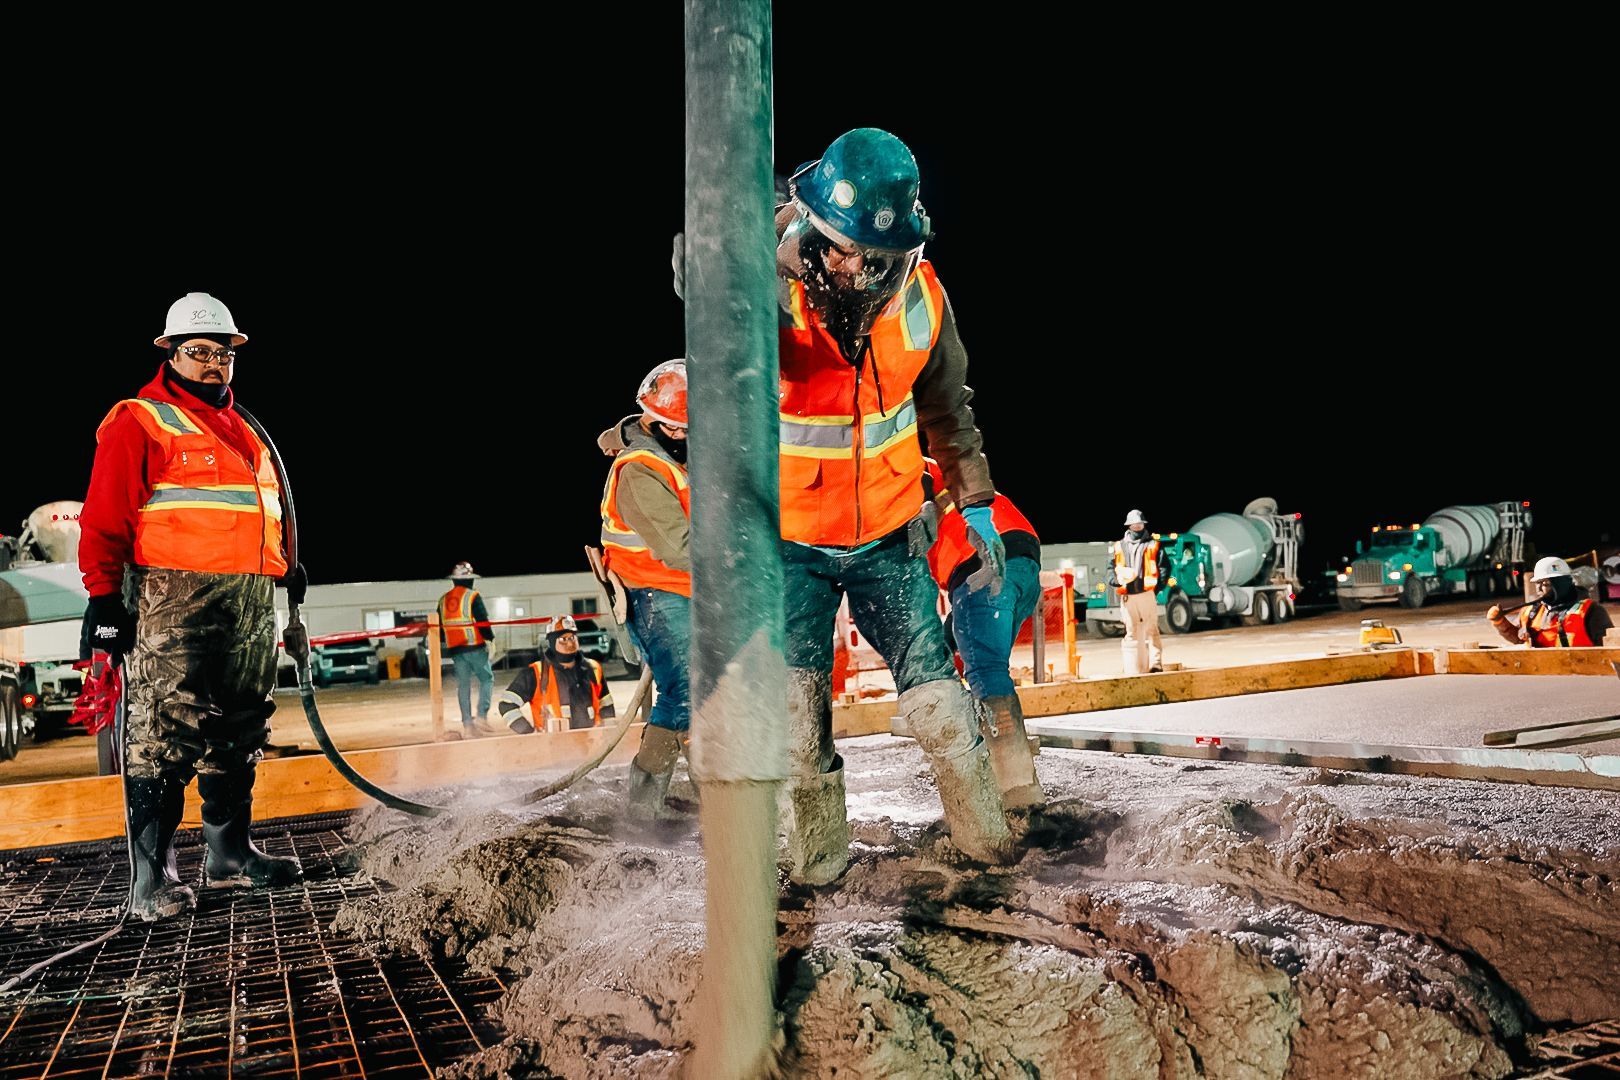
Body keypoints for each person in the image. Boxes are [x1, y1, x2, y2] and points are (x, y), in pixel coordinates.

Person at [770, 127, 1014, 884]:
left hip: (889, 531)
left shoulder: (923, 298)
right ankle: (814, 868)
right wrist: (702, 276)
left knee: (942, 704)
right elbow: (711, 340)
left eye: (867, 257)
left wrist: (975, 504)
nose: (846, 266)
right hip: (788, 545)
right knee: (796, 717)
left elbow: (948, 411)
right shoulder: (759, 289)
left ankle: (987, 840)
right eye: (835, 246)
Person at [78, 291, 305, 920]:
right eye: (198, 352)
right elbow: (104, 518)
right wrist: (103, 596)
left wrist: (285, 565)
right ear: (171, 353)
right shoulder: (140, 420)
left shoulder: (242, 427)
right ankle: (151, 882)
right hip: (175, 599)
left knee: (239, 726)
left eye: (222, 353)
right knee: (165, 731)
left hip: (249, 599)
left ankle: (229, 856)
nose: (213, 365)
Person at [598, 361, 693, 818]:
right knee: (685, 690)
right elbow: (681, 549)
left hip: (675, 592)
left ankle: (697, 790)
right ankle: (644, 805)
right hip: (654, 594)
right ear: (668, 426)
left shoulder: (666, 459)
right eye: (687, 430)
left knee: (703, 689)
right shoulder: (640, 470)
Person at [923, 459, 1044, 808]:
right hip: (1021, 556)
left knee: (987, 673)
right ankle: (1004, 748)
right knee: (984, 661)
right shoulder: (937, 467)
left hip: (977, 560)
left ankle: (1015, 786)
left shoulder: (897, 473)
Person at [497, 615, 616, 731]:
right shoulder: (536, 673)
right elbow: (507, 705)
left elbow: (606, 704)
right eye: (563, 639)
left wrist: (608, 735)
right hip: (552, 745)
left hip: (592, 743)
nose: (570, 643)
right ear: (552, 642)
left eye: (572, 637)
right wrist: (526, 731)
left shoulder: (593, 668)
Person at [1488, 556, 1613, 647]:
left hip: (1584, 677)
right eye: (1538, 583)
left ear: (1561, 584)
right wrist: (1501, 623)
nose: (1540, 588)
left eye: (1546, 583)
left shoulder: (1590, 611)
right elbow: (1520, 639)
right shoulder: (1531, 612)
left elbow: (1610, 649)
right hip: (1544, 677)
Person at [438, 561, 494, 737]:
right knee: (487, 679)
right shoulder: (472, 596)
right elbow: (482, 620)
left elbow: (439, 628)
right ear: (470, 579)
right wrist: (490, 639)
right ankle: (482, 717)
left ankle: (468, 725)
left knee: (463, 686)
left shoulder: (443, 599)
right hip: (474, 646)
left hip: (455, 650)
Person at [1111, 510, 1169, 675]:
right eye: (1134, 524)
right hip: (1128, 596)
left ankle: (1155, 664)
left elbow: (1164, 567)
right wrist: (1115, 580)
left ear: (1144, 525)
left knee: (1151, 629)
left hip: (1146, 594)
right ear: (1129, 525)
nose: (1137, 526)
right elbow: (1111, 568)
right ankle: (1133, 665)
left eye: (1140, 523)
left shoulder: (1153, 544)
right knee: (1131, 631)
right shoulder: (1119, 546)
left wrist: (1157, 588)